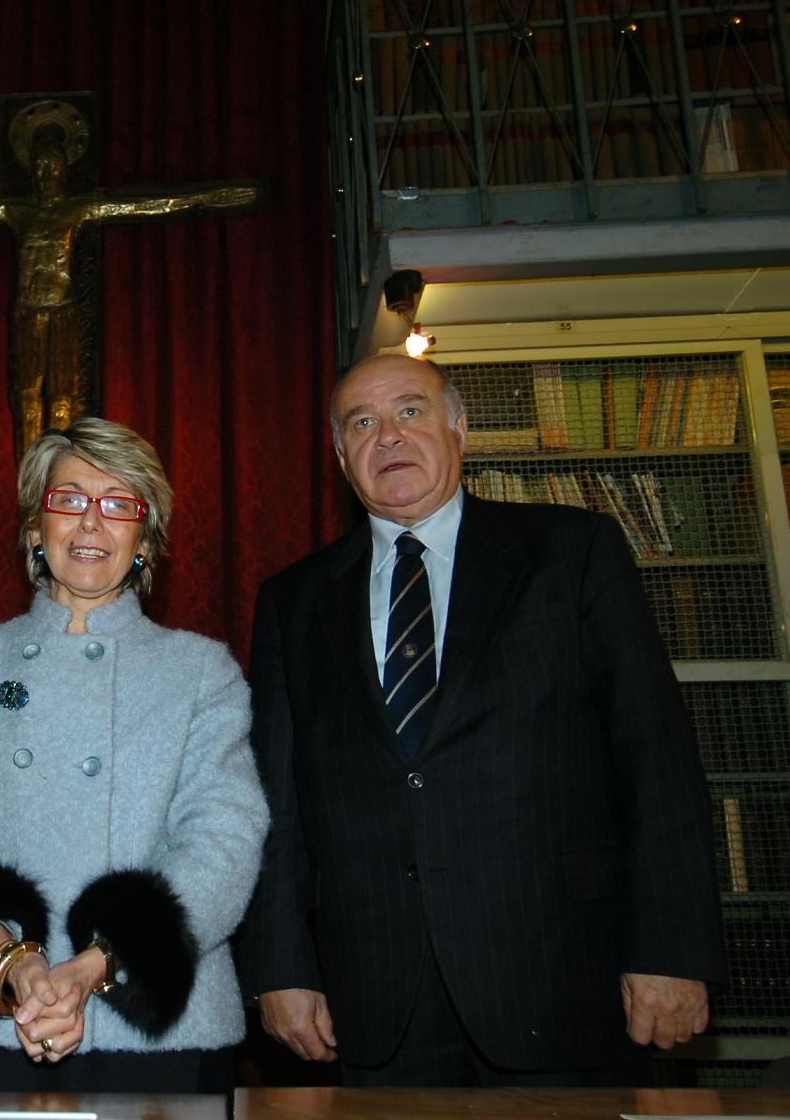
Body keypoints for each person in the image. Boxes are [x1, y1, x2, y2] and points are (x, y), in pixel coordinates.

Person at [237, 351, 726, 1086]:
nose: (387, 436)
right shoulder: (293, 600)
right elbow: (275, 798)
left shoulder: (572, 552)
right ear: (340, 458)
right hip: (375, 996)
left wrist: (672, 949)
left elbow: (655, 758)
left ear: (459, 427)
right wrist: (280, 965)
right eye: (361, 424)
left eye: (410, 411)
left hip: (563, 978)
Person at [0, 417, 269, 1092]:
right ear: (36, 528)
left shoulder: (201, 671)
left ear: (144, 539)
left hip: (151, 1031)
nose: (91, 522)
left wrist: (97, 963)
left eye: (119, 504)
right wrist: (12, 960)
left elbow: (223, 841)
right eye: (69, 499)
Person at [0, 101, 260, 454]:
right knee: (26, 397)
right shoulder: (14, 209)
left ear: (63, 169)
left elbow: (148, 204)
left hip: (62, 310)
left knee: (62, 398)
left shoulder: (79, 208)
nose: (44, 175)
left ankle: (56, 477)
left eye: (51, 166)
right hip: (28, 312)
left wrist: (209, 198)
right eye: (38, 167)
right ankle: (31, 481)